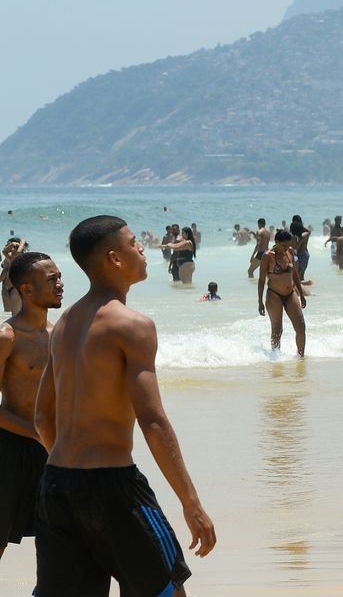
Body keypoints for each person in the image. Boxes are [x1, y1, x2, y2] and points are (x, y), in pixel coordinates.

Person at [35, 216, 216, 594]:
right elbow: (152, 420)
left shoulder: (64, 324)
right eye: (135, 243)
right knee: (167, 592)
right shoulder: (132, 325)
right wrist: (191, 503)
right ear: (115, 258)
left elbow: (41, 416)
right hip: (112, 487)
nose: (143, 250)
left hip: (56, 485)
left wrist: (70, 471)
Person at [0, 251, 61, 559]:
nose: (60, 285)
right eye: (52, 280)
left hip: (54, 448)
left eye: (60, 277)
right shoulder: (7, 336)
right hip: (12, 446)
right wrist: (36, 431)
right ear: (26, 289)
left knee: (61, 540)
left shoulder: (59, 334)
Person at [258, 230, 309, 357]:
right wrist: (260, 301)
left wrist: (301, 294)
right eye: (283, 246)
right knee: (277, 329)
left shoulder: (290, 252)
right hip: (274, 294)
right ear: (276, 243)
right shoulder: (267, 256)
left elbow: (295, 274)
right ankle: (276, 357)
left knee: (301, 327)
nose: (286, 248)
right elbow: (261, 280)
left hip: (290, 294)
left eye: (288, 245)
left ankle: (301, 356)